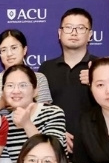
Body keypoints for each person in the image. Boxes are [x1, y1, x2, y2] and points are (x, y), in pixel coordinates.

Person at [38, 8, 98, 152]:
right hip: (54, 147)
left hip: (94, 147)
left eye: (81, 28)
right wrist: (58, 133)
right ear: (60, 33)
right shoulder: (46, 68)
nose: (74, 32)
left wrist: (97, 82)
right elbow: (39, 110)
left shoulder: (101, 66)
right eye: (68, 27)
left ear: (90, 35)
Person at [0, 64, 67, 163]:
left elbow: (53, 152)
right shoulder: (4, 123)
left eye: (23, 85)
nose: (16, 91)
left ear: (35, 90)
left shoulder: (53, 112)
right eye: (10, 86)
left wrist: (27, 124)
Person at [0, 29, 52, 107]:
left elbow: (44, 111)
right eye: (3, 50)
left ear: (24, 50)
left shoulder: (39, 78)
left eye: (14, 48)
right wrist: (1, 104)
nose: (9, 54)